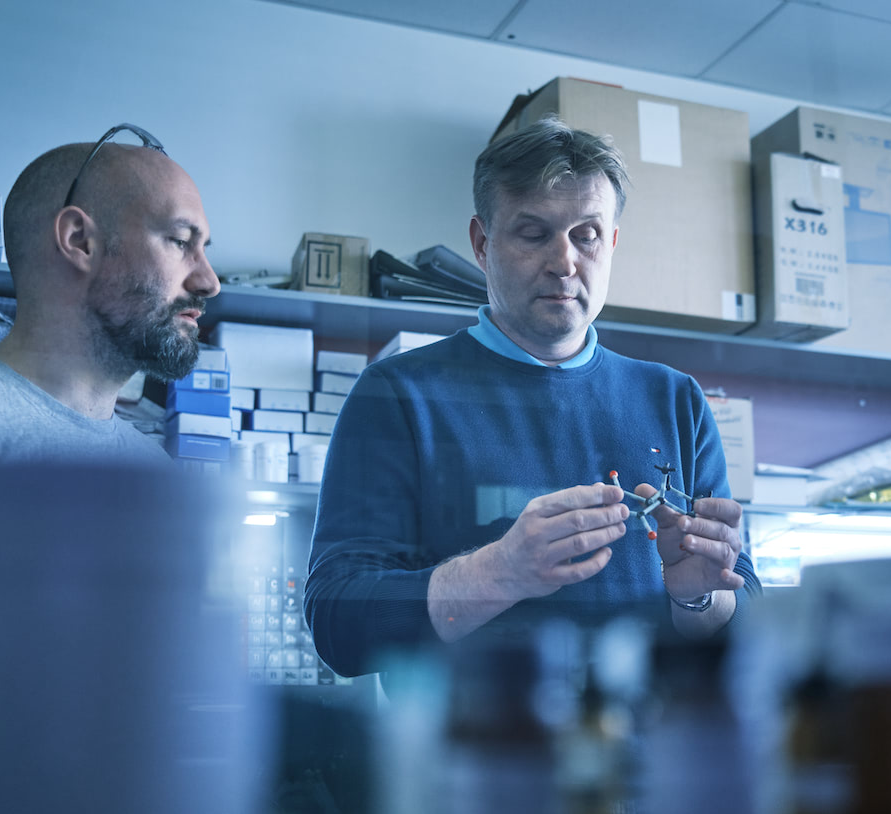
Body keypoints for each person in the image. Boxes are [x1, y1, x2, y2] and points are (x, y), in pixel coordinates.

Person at [306, 117, 760, 677]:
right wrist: (500, 572)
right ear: (481, 243)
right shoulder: (399, 395)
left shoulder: (676, 400)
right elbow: (336, 623)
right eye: (533, 232)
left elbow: (742, 610)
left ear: (611, 242)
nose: (564, 261)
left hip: (652, 755)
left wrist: (696, 598)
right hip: (474, 756)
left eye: (586, 234)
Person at [0, 124, 219, 465]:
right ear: (79, 241)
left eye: (203, 249)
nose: (210, 282)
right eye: (180, 241)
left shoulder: (156, 471)